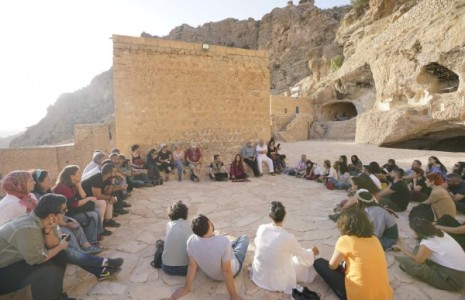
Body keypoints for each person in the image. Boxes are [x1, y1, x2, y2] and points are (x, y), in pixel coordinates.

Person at [0, 193, 72, 300]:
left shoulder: (44, 220)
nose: (66, 212)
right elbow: (37, 259)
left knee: (60, 256)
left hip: (11, 264)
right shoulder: (28, 228)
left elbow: (53, 246)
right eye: (64, 210)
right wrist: (61, 246)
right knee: (44, 268)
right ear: (52, 215)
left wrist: (48, 231)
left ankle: (56, 295)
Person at [314, 209, 393, 300]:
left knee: (319, 263)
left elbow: (332, 266)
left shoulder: (345, 240)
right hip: (383, 296)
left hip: (357, 297)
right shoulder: (375, 240)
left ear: (344, 224)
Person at [171, 215, 249, 300]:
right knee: (244, 238)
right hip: (233, 270)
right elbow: (226, 270)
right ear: (209, 223)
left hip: (211, 275)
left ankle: (229, 246)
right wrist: (233, 295)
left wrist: (185, 288)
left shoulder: (190, 241)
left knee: (229, 245)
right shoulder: (223, 241)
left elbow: (192, 266)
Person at [251, 201, 318, 294]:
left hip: (259, 274)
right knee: (307, 262)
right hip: (278, 281)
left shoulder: (261, 228)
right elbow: (304, 257)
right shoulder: (288, 238)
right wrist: (311, 252)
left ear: (269, 215)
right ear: (285, 214)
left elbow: (256, 243)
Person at [31, 169, 102, 255]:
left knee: (74, 222)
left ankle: (86, 246)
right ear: (39, 182)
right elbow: (49, 216)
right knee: (67, 231)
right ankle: (78, 253)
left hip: (59, 217)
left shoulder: (48, 192)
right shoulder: (37, 197)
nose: (51, 181)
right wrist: (66, 224)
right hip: (50, 222)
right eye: (48, 179)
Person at [394, 218, 465, 292]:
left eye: (414, 232)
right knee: (418, 248)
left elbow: (417, 261)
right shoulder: (440, 232)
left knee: (408, 262)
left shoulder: (427, 242)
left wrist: (402, 248)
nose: (413, 233)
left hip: (454, 281)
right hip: (459, 272)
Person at [53, 165, 108, 243]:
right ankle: (91, 240)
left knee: (96, 211)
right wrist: (89, 199)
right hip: (68, 213)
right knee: (93, 215)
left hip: (73, 209)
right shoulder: (63, 187)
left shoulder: (73, 185)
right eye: (79, 173)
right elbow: (74, 204)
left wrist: (79, 185)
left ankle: (96, 233)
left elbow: (83, 195)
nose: (81, 174)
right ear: (72, 176)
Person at [161, 201, 192, 276]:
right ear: (186, 214)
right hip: (186, 269)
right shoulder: (191, 225)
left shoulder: (169, 224)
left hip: (166, 267)